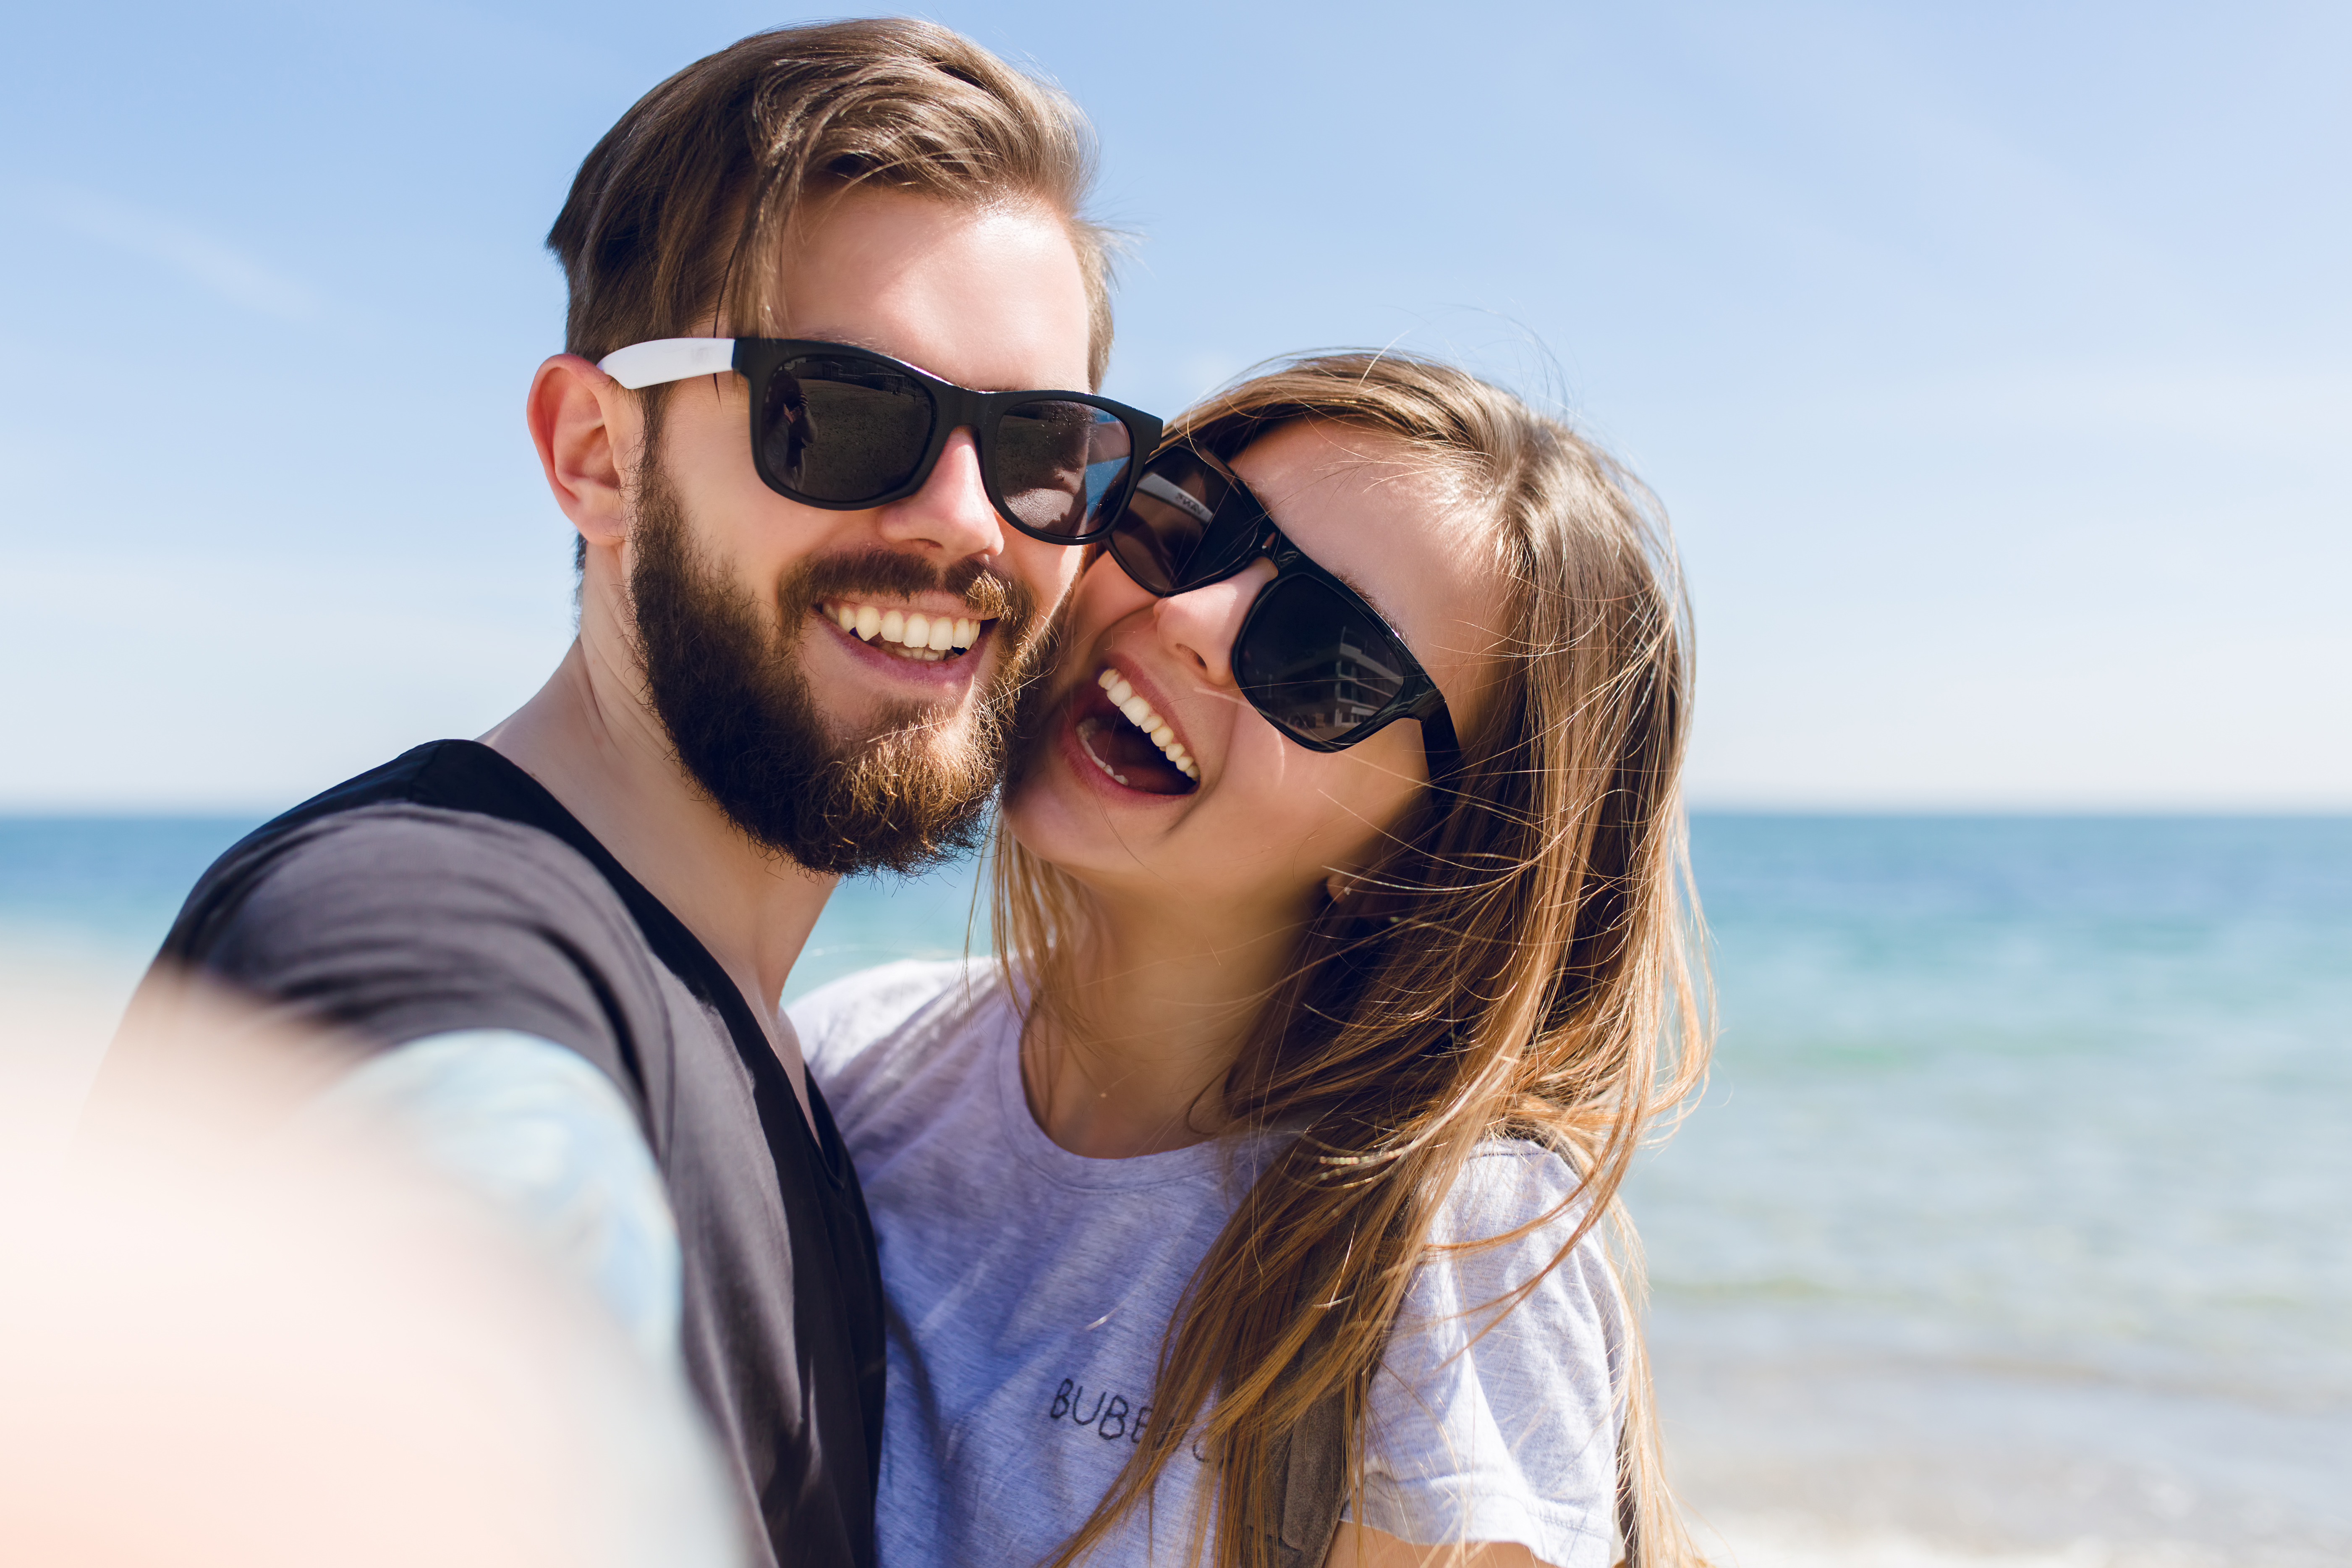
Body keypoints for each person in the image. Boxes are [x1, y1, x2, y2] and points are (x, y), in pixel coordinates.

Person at [92, 20, 1156, 1568]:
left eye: (1040, 449)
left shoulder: (778, 1058)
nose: (963, 525)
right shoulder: (420, 923)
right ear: (597, 454)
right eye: (839, 413)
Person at [793, 353, 1712, 1568]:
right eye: (1189, 526)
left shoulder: (1447, 1249)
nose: (1187, 620)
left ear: (1428, 850)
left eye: (1327, 658)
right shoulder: (846, 1061)